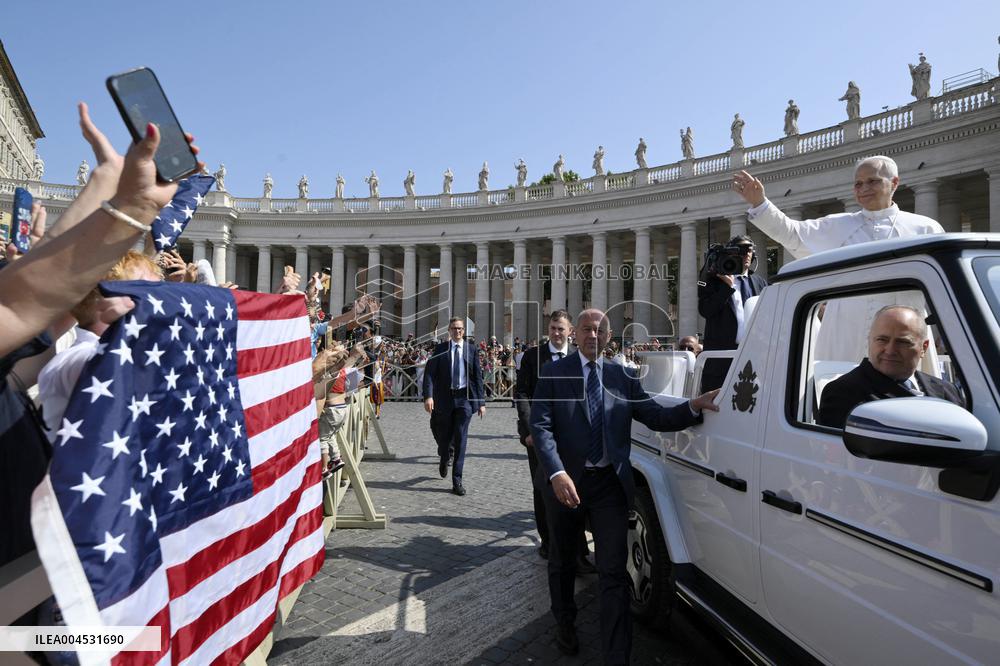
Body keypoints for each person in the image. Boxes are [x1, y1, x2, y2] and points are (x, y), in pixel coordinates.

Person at [530, 308, 720, 662]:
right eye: (586, 329)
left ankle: (616, 654)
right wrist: (556, 473)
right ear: (576, 335)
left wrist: (693, 405)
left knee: (613, 572)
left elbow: (655, 415)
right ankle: (565, 623)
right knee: (562, 563)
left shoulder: (623, 376)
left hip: (607, 486)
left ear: (608, 337)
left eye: (599, 331)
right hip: (564, 484)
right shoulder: (554, 373)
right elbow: (541, 427)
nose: (592, 335)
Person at [732, 155, 944, 365]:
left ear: (894, 183)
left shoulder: (925, 228)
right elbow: (793, 234)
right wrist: (760, 203)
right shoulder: (838, 226)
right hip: (846, 334)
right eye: (858, 184)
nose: (863, 188)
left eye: (872, 181)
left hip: (905, 333)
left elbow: (942, 289)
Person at [514, 311, 595, 572]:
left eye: (561, 328)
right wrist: (530, 430)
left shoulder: (578, 357)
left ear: (570, 331)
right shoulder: (532, 356)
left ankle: (580, 552)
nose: (556, 333)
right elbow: (523, 394)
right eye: (552, 328)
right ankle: (548, 542)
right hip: (538, 435)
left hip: (571, 436)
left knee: (574, 488)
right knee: (543, 489)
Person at [818, 306, 963, 428]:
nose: (890, 350)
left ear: (924, 348)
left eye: (903, 342)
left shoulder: (947, 390)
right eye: (882, 340)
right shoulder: (844, 393)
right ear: (870, 341)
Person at [422, 317, 486, 496]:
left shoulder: (471, 349)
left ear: (464, 331)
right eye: (454, 328)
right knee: (443, 436)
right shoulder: (441, 349)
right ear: (449, 330)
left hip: (464, 399)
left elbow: (477, 377)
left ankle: (457, 480)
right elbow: (429, 374)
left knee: (461, 439)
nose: (457, 331)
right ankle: (444, 456)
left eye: (460, 329)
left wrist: (480, 402)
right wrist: (428, 396)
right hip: (444, 398)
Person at [698, 236, 767, 391]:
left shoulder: (760, 283)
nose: (747, 254)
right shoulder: (713, 280)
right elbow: (705, 310)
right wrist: (727, 287)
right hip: (721, 360)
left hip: (752, 356)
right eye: (741, 250)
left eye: (749, 250)